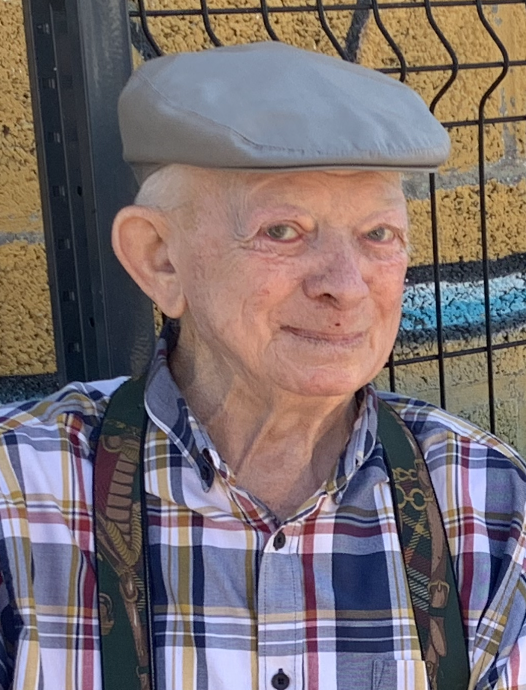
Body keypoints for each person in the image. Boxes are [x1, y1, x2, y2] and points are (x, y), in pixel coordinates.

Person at [0, 41, 525, 690]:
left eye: (378, 235)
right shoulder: (22, 497)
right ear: (160, 259)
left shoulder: (485, 500)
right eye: (283, 231)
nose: (346, 286)